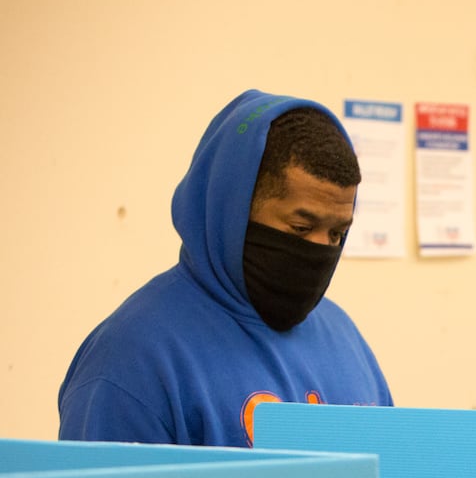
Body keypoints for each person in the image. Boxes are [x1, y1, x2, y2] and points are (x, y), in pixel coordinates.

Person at [59, 89, 391, 447]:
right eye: (300, 228)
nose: (321, 250)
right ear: (232, 210)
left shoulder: (344, 338)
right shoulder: (132, 359)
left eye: (338, 233)